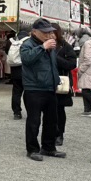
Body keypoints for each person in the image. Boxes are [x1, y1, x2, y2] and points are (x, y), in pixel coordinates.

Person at [20, 18, 65, 161]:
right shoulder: (27, 44)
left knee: (52, 120)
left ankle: (49, 147)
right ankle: (32, 149)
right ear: (34, 32)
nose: (48, 35)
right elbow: (26, 59)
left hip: (49, 87)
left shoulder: (49, 45)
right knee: (34, 120)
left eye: (49, 32)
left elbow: (52, 66)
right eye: (44, 32)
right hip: (33, 88)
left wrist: (56, 80)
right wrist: (42, 47)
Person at [54, 25, 77, 146]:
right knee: (47, 109)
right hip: (45, 82)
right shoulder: (41, 45)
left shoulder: (65, 46)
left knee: (59, 109)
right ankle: (49, 133)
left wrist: (56, 58)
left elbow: (72, 64)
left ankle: (59, 134)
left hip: (60, 82)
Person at [5, 28, 30, 120]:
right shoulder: (28, 41)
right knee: (27, 92)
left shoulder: (11, 41)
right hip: (26, 69)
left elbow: (6, 51)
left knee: (16, 92)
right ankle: (30, 112)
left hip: (14, 69)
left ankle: (17, 112)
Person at [77, 28, 91, 117]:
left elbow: (87, 59)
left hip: (87, 70)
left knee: (86, 91)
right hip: (89, 70)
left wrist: (81, 69)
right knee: (85, 89)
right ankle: (87, 110)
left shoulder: (87, 43)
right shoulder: (89, 42)